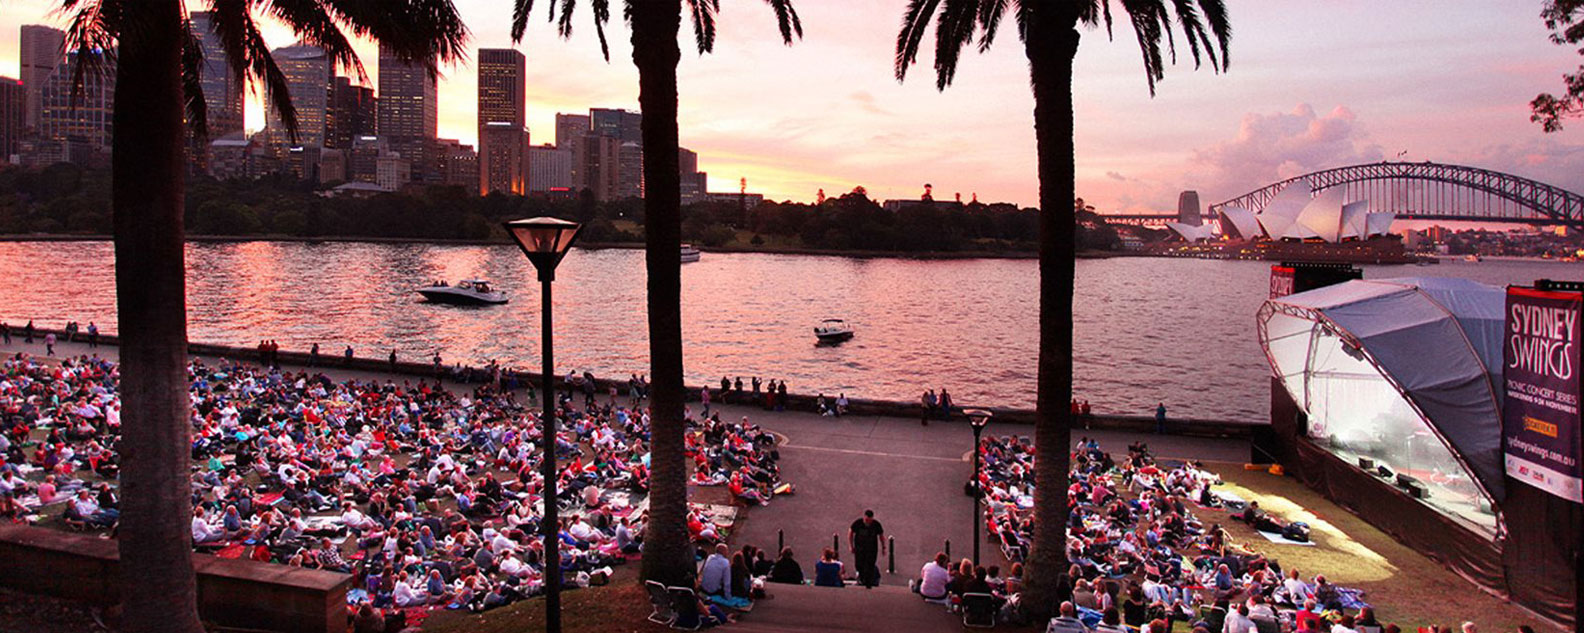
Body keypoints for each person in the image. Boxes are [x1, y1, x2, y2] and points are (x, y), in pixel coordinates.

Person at [849, 509, 885, 588]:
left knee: (870, 565)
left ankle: (868, 581)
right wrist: (851, 546)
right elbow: (851, 532)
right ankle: (862, 578)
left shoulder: (876, 525)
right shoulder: (858, 523)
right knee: (859, 564)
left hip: (871, 549)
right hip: (859, 548)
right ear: (864, 517)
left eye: (869, 520)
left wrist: (883, 547)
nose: (868, 522)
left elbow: (881, 536)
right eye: (866, 520)